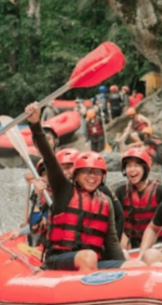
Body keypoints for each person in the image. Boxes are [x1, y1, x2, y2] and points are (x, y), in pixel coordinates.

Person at [24, 102, 142, 272]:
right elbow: (49, 156)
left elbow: (111, 243)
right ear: (76, 175)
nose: (92, 177)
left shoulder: (105, 201)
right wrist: (35, 124)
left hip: (92, 263)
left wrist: (122, 267)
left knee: (134, 265)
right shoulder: (64, 190)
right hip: (58, 260)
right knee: (88, 256)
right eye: (86, 172)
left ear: (102, 177)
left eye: (96, 172)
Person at [115, 148, 162, 250]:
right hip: (129, 244)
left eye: (136, 165)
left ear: (145, 168)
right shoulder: (121, 192)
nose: (132, 170)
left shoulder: (160, 191)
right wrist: (124, 242)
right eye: (128, 166)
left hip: (157, 244)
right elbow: (115, 222)